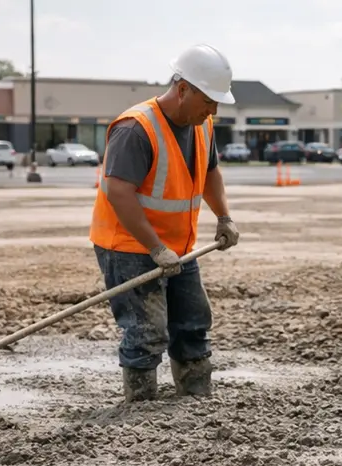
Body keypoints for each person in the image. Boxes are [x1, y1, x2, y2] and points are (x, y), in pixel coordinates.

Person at [89, 44, 241, 402]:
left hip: (179, 249)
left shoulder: (202, 125)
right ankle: (141, 407)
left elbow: (210, 173)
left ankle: (195, 396)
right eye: (208, 100)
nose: (213, 110)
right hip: (129, 246)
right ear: (183, 88)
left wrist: (224, 216)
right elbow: (119, 192)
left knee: (193, 322)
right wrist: (155, 248)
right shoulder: (136, 128)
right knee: (145, 331)